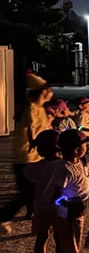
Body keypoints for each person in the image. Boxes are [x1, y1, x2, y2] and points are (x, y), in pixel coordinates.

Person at [1, 71, 52, 234]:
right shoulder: (32, 107)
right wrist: (34, 143)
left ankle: (34, 217)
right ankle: (4, 216)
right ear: (43, 92)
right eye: (49, 90)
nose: (51, 93)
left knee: (33, 190)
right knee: (27, 192)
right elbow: (32, 129)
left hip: (34, 155)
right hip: (27, 156)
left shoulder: (40, 107)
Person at [53, 130, 89, 253]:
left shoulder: (80, 162)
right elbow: (56, 194)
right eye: (84, 144)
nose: (87, 146)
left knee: (73, 239)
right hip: (69, 213)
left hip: (77, 210)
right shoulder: (66, 168)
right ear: (76, 150)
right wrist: (67, 204)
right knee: (70, 242)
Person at [23, 130, 63, 253]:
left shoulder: (35, 167)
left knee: (42, 237)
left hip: (41, 206)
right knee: (59, 238)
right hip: (59, 206)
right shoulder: (63, 165)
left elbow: (27, 175)